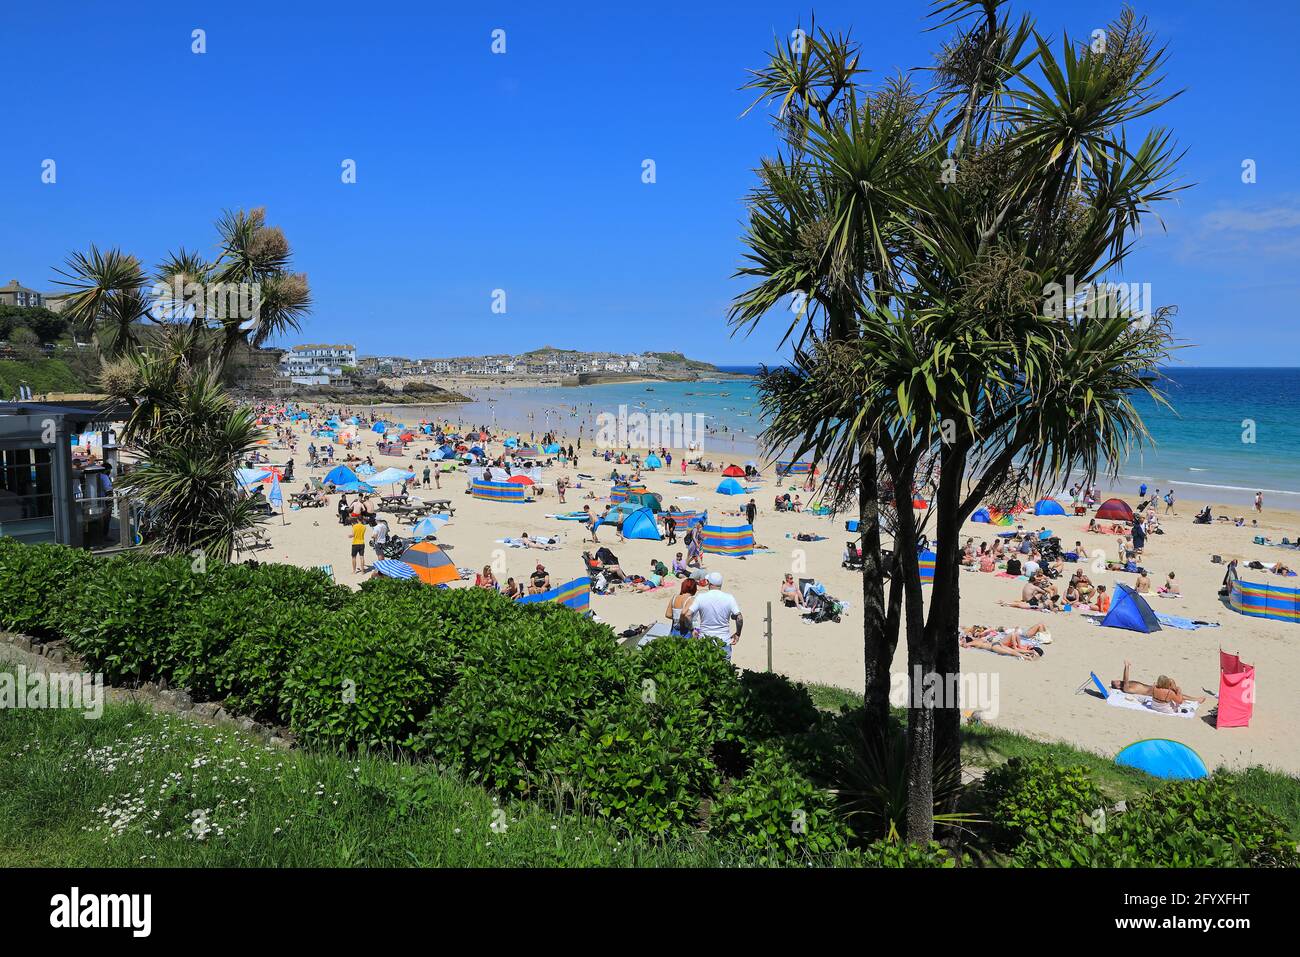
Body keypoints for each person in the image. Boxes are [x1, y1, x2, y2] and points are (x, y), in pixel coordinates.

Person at [691, 572, 742, 659]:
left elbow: (688, 614)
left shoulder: (701, 597)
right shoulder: (729, 598)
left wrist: (692, 629)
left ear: (709, 584)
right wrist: (738, 633)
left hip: (705, 640)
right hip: (724, 641)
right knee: (724, 670)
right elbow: (739, 617)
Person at [1110, 661, 1206, 705]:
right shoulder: (1126, 688)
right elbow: (1125, 679)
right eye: (1117, 682)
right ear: (1118, 687)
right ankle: (1194, 699)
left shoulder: (1127, 684)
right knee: (1172, 685)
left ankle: (1180, 695)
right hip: (1152, 691)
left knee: (1171, 683)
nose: (1119, 681)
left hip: (1153, 687)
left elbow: (1125, 680)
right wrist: (1126, 667)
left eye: (1117, 680)